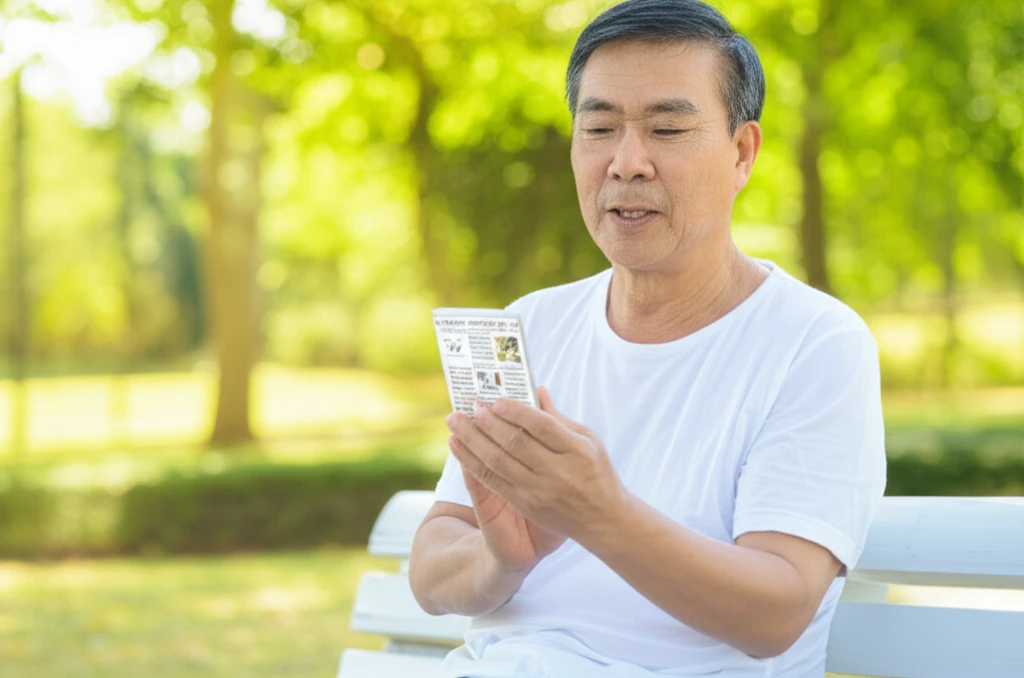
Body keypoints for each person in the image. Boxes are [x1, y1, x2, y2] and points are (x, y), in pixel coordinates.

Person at [408, 0, 887, 675]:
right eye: (599, 127)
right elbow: (432, 564)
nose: (627, 162)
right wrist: (502, 556)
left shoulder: (815, 343)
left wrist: (600, 514)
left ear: (742, 152)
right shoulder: (530, 325)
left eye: (667, 128)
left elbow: (776, 611)